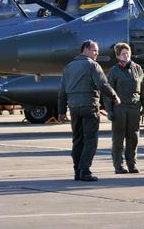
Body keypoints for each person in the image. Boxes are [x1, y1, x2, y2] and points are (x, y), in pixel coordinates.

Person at [58, 40, 120, 182]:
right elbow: (102, 84)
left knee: (77, 140)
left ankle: (77, 171)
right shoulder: (92, 65)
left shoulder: (68, 67)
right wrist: (114, 96)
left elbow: (62, 92)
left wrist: (61, 111)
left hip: (74, 108)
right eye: (94, 51)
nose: (97, 54)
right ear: (85, 49)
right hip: (89, 107)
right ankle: (85, 171)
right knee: (90, 140)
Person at [105, 42, 144, 174]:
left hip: (134, 108)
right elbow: (108, 93)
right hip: (119, 109)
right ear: (118, 56)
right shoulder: (114, 71)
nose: (126, 55)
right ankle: (118, 165)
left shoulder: (137, 68)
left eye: (128, 52)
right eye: (123, 53)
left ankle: (132, 164)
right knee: (118, 139)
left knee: (133, 138)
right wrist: (109, 110)